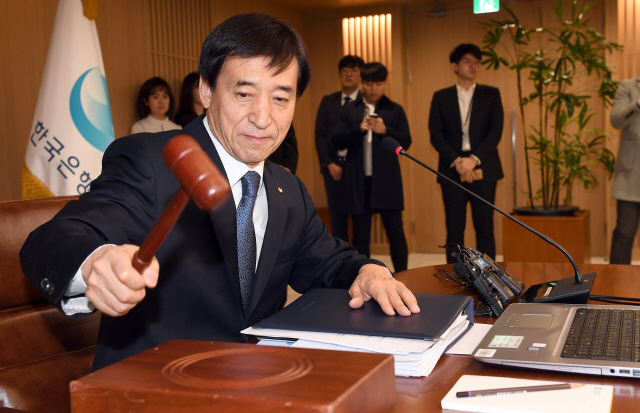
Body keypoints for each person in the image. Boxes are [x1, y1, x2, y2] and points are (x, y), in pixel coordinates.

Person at [20, 13, 419, 371]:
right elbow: (53, 238)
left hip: (262, 382)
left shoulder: (286, 187)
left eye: (281, 98)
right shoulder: (152, 161)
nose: (263, 117)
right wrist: (96, 261)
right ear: (206, 90)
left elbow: (329, 261)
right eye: (244, 94)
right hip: (155, 388)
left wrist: (368, 271)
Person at [428, 43, 504, 263]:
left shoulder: (490, 94)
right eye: (467, 61)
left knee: (485, 229)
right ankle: (454, 278)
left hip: (484, 167)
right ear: (454, 65)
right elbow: (436, 134)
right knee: (454, 230)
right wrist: (458, 161)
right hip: (452, 170)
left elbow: (495, 131)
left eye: (477, 62)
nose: (474, 66)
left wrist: (473, 160)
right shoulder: (441, 97)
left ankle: (491, 280)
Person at [332, 62, 411, 273]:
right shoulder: (350, 109)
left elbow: (406, 142)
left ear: (385, 83)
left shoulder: (394, 109)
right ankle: (364, 277)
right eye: (368, 83)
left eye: (378, 83)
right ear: (362, 83)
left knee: (396, 232)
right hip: (359, 182)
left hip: (387, 182)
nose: (373, 88)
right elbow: (336, 140)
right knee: (360, 236)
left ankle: (404, 276)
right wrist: (358, 129)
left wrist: (386, 130)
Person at [315, 55, 364, 242]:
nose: (348, 74)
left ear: (360, 75)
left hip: (358, 169)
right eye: (344, 71)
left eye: (353, 71)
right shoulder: (328, 101)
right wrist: (329, 164)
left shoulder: (366, 102)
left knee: (360, 221)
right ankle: (342, 265)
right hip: (332, 168)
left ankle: (362, 264)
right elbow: (319, 135)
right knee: (337, 219)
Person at [609, 75, 640, 264]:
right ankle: (616, 285)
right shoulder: (628, 86)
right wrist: (637, 104)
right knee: (624, 233)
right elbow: (616, 120)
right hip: (631, 175)